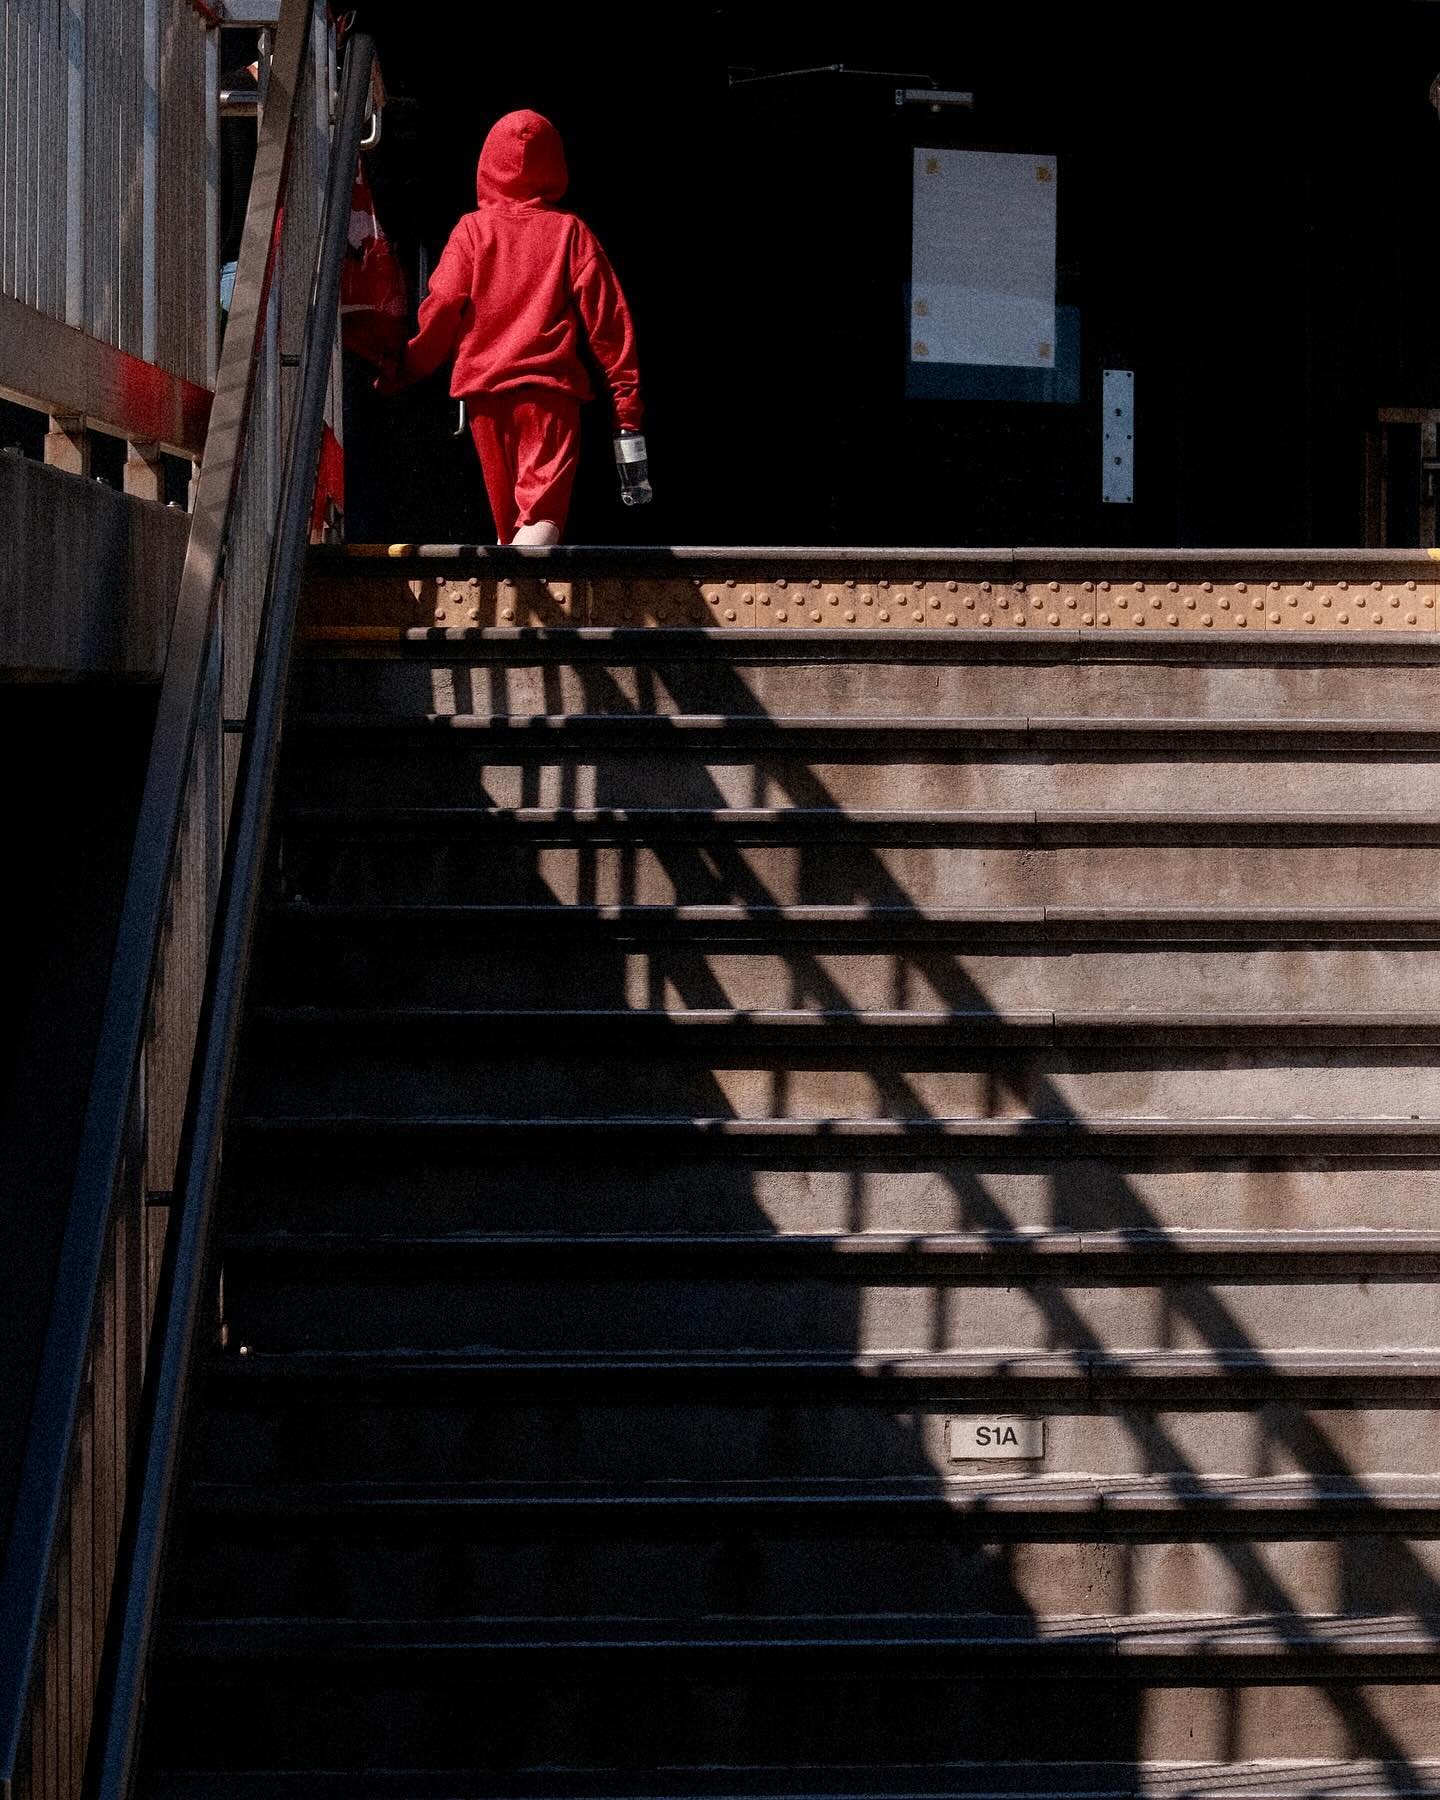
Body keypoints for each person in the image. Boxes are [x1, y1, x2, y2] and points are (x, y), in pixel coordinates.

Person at [377, 109, 642, 545]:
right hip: (549, 397)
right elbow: (611, 326)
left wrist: (408, 367)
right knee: (540, 523)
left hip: (485, 399)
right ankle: (511, 606)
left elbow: (442, 305)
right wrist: (627, 409)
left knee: (509, 532)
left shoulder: (471, 232)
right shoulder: (570, 234)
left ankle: (509, 603)